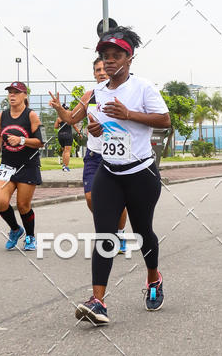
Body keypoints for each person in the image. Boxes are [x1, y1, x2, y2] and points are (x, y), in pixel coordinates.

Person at [53, 26, 170, 325]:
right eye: (105, 56)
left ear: (129, 59)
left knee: (143, 232)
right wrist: (96, 130)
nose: (109, 61)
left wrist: (129, 114)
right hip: (109, 171)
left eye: (116, 55)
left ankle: (153, 280)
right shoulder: (97, 92)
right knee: (104, 233)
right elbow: (103, 129)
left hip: (141, 173)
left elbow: (164, 121)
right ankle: (98, 302)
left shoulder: (143, 87)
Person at [50, 58, 129, 255]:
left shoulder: (126, 92)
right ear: (94, 74)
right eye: (97, 70)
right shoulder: (89, 95)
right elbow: (70, 118)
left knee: (119, 201)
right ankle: (108, 226)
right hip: (95, 156)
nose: (101, 72)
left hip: (119, 155)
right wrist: (59, 108)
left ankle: (119, 233)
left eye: (103, 68)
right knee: (91, 198)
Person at [0, 81, 43, 251]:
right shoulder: (2, 115)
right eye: (10, 92)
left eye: (16, 92)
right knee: (0, 201)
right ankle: (16, 230)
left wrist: (21, 140)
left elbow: (41, 142)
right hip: (7, 166)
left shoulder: (31, 115)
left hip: (27, 165)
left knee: (23, 205)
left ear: (25, 96)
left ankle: (30, 237)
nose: (12, 95)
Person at [54, 104, 81, 172]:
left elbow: (56, 127)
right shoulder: (69, 118)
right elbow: (74, 126)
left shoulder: (59, 118)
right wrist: (79, 133)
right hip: (68, 135)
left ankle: (64, 165)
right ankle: (66, 166)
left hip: (60, 135)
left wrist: (60, 123)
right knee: (67, 151)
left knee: (64, 151)